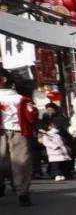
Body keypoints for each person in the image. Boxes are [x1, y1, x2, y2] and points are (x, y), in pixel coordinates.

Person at [0, 67, 37, 205]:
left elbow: (31, 118)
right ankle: (19, 189)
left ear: (3, 80)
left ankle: (22, 191)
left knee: (21, 162)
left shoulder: (21, 99)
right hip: (9, 132)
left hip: (18, 132)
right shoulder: (23, 98)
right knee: (19, 162)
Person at [37, 117, 73, 181]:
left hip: (61, 152)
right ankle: (56, 175)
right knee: (55, 165)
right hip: (54, 152)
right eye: (52, 126)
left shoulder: (57, 135)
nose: (54, 127)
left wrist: (65, 148)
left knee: (61, 164)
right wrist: (54, 146)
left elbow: (62, 143)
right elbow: (46, 142)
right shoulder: (47, 134)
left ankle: (61, 174)